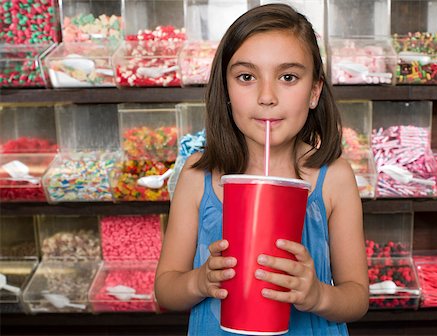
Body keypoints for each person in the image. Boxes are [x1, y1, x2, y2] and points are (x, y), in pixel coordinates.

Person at [155, 3, 369, 335]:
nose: (266, 96)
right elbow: (165, 290)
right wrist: (199, 280)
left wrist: (317, 295)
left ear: (314, 91)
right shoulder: (197, 175)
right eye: (246, 77)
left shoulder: (335, 177)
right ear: (225, 89)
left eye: (288, 77)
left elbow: (356, 298)